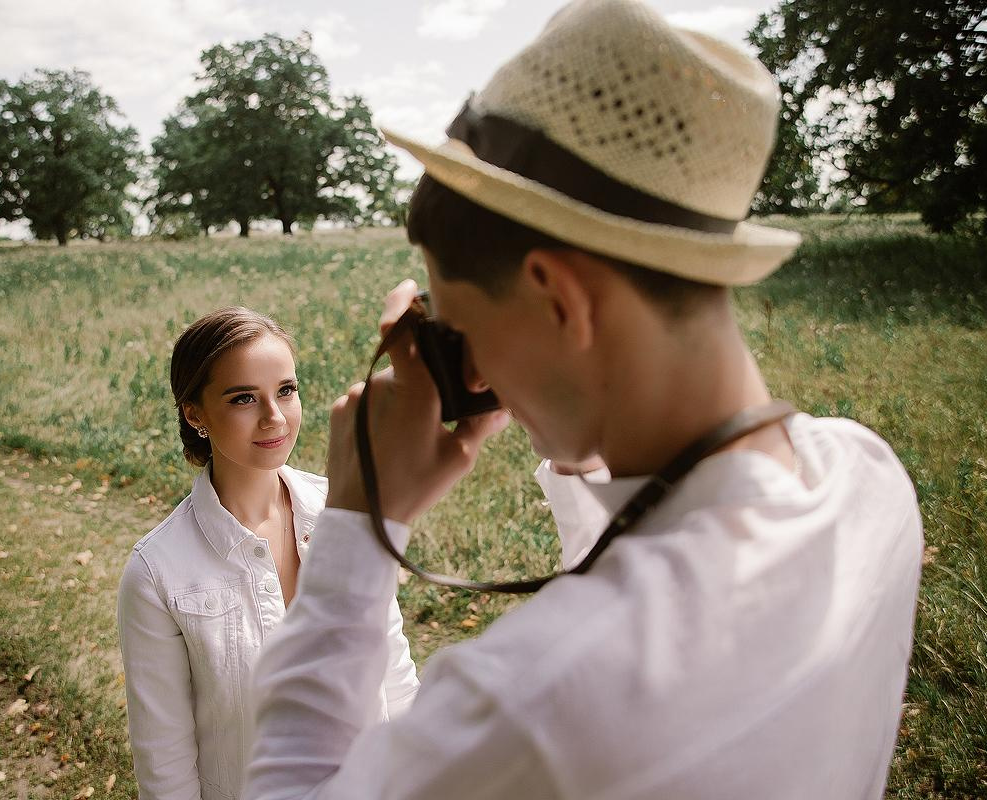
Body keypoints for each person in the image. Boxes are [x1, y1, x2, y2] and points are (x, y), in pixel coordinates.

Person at [242, 1, 924, 798]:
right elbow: (659, 560)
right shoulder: (869, 479)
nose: (476, 372)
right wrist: (563, 408)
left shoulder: (538, 698)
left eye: (465, 331)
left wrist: (361, 522)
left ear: (560, 299)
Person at [116, 306, 419, 800]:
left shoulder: (347, 512)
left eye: (286, 390)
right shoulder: (157, 574)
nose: (273, 417)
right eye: (242, 398)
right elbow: (165, 761)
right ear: (195, 414)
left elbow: (396, 673)